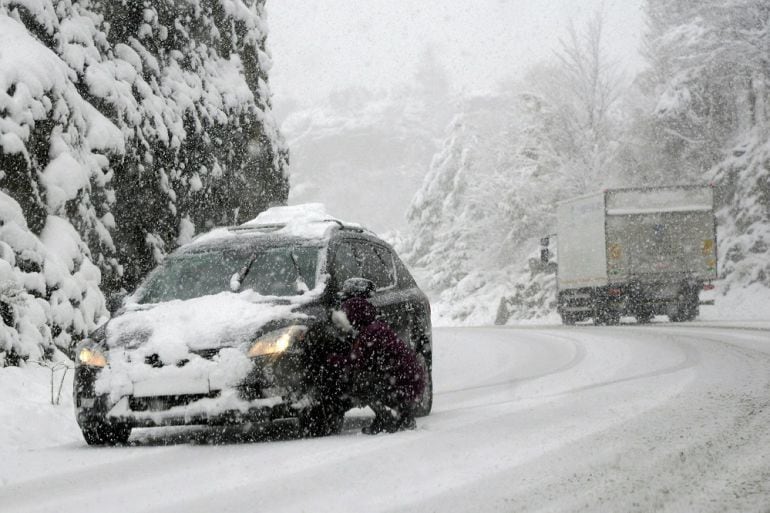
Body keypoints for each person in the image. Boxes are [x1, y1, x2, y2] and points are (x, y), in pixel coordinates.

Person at [336, 297, 425, 434]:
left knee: (360, 381)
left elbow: (357, 361)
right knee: (367, 378)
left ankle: (387, 418)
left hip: (403, 383)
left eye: (346, 316)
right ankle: (402, 416)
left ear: (354, 316)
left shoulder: (371, 333)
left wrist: (333, 360)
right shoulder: (376, 328)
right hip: (410, 381)